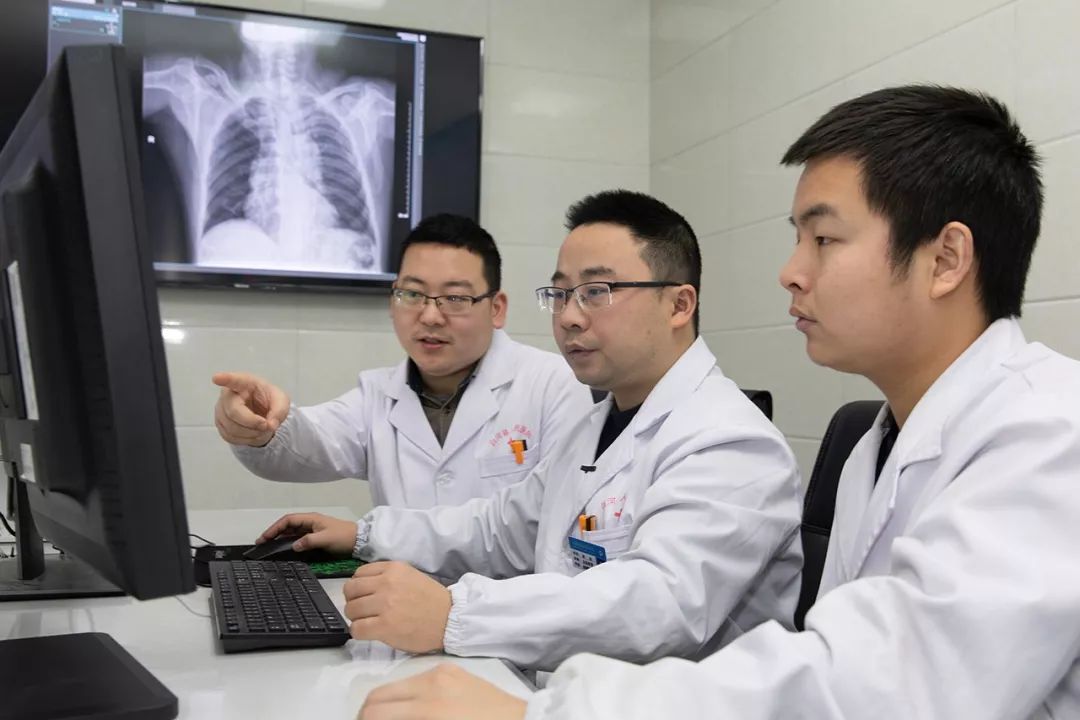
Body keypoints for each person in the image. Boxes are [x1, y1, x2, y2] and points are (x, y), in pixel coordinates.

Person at [355, 86, 1080, 720]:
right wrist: (369, 536)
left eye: (824, 239)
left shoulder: (1048, 431)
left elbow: (883, 685)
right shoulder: (882, 441)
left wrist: (530, 696)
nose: (790, 272)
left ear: (945, 260)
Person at [261, 190, 803, 674]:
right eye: (561, 294)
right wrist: (366, 535)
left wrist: (455, 614)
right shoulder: (597, 425)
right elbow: (499, 528)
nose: (568, 317)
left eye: (596, 291)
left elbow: (659, 605)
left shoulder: (730, 441)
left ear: (679, 304)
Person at [212, 213, 593, 509]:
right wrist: (260, 424)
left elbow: (553, 522)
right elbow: (300, 449)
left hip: (511, 592)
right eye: (412, 294)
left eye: (455, 298)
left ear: (496, 309)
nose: (430, 316)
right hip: (396, 588)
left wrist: (366, 537)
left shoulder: (554, 385)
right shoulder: (377, 396)